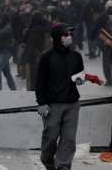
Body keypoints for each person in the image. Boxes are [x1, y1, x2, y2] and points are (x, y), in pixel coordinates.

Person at [35, 23, 85, 170]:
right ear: (58, 38)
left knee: (69, 140)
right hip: (52, 105)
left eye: (70, 34)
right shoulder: (46, 58)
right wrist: (41, 103)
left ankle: (63, 166)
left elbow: (79, 77)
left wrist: (81, 79)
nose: (69, 37)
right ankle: (48, 161)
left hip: (72, 104)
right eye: (66, 35)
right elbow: (39, 82)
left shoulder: (76, 56)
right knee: (50, 138)